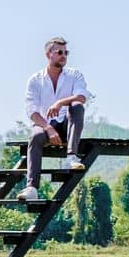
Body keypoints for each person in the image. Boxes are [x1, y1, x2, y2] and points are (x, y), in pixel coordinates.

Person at [20, 37, 90, 202]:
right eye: (59, 52)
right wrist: (48, 128)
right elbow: (32, 111)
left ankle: (71, 157)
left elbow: (82, 96)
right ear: (48, 54)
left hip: (68, 125)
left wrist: (59, 103)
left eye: (66, 52)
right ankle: (32, 188)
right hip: (46, 126)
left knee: (77, 106)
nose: (63, 55)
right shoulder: (35, 80)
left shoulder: (75, 75)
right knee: (36, 137)